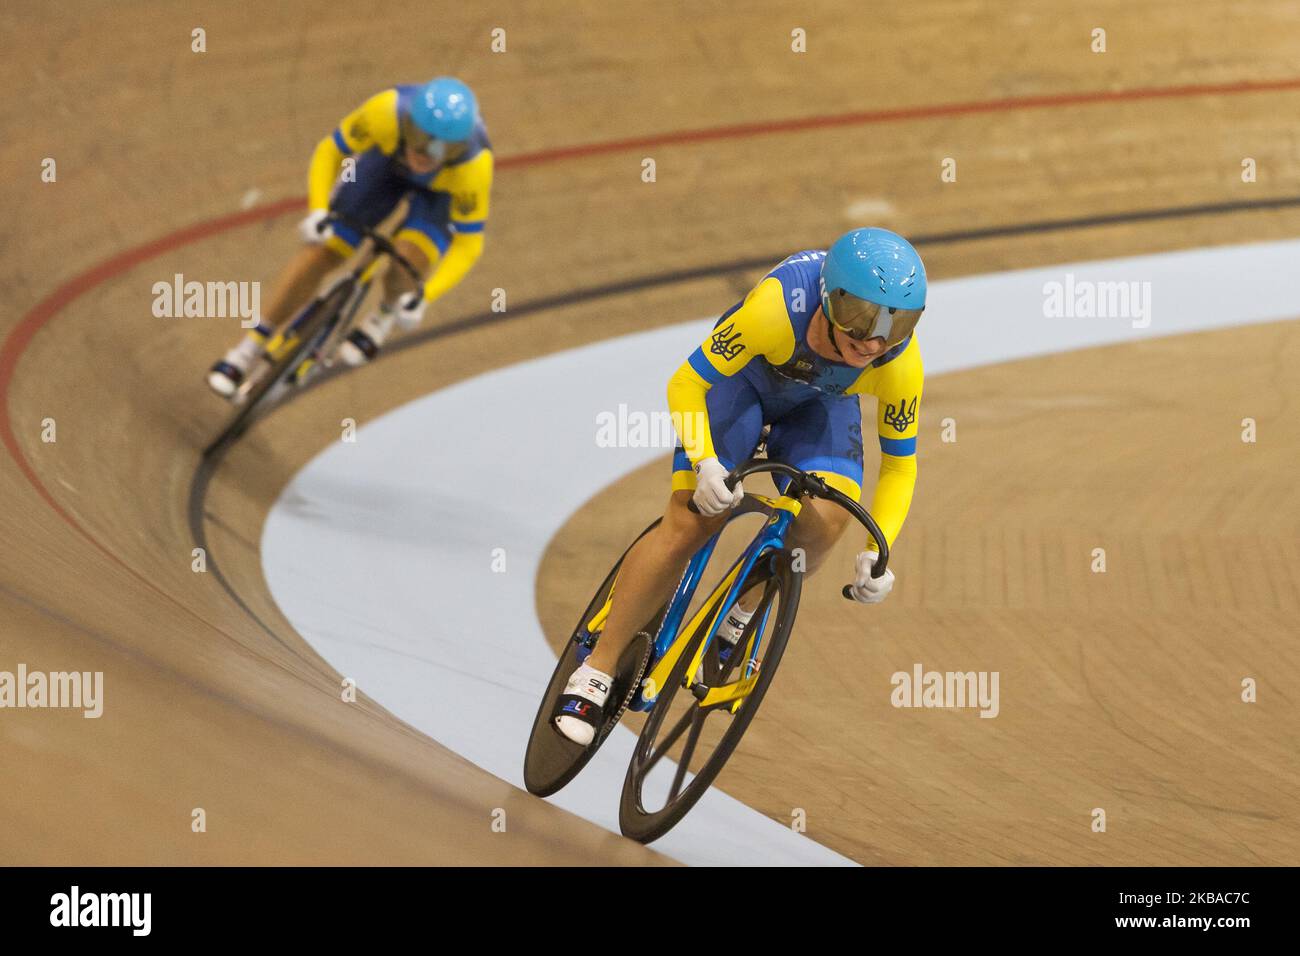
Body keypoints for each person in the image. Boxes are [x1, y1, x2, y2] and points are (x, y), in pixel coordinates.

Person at [554, 227, 927, 745]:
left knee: (829, 519)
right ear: (828, 297)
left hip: (817, 406)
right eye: (863, 319)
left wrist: (878, 548)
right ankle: (596, 669)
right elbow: (686, 382)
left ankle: (742, 612)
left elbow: (899, 468)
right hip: (743, 384)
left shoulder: (898, 364)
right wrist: (705, 462)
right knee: (692, 521)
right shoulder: (775, 311)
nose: (874, 341)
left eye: (896, 324)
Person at [207, 76, 493, 397]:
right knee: (324, 250)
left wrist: (424, 296)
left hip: (438, 196)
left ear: (458, 148)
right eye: (420, 137)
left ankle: (383, 315)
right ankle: (247, 350)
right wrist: (318, 210)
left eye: (441, 147)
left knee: (407, 263)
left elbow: (469, 243)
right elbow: (331, 151)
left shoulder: (474, 167)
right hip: (385, 165)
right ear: (408, 121)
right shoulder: (386, 112)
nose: (426, 152)